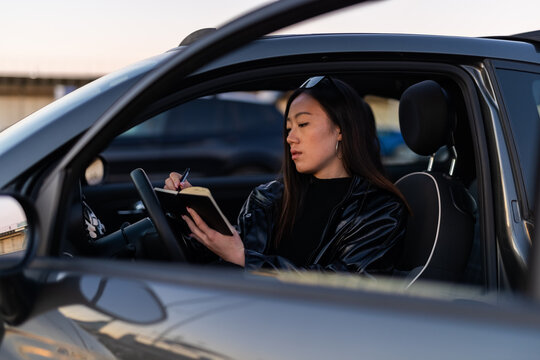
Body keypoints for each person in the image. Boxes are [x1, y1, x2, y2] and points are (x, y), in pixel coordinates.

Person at [165, 76, 407, 276]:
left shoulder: (379, 210)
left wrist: (244, 258)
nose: (290, 137)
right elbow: (228, 251)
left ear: (340, 129)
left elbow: (348, 286)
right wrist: (184, 211)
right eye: (288, 127)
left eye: (303, 124)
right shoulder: (269, 196)